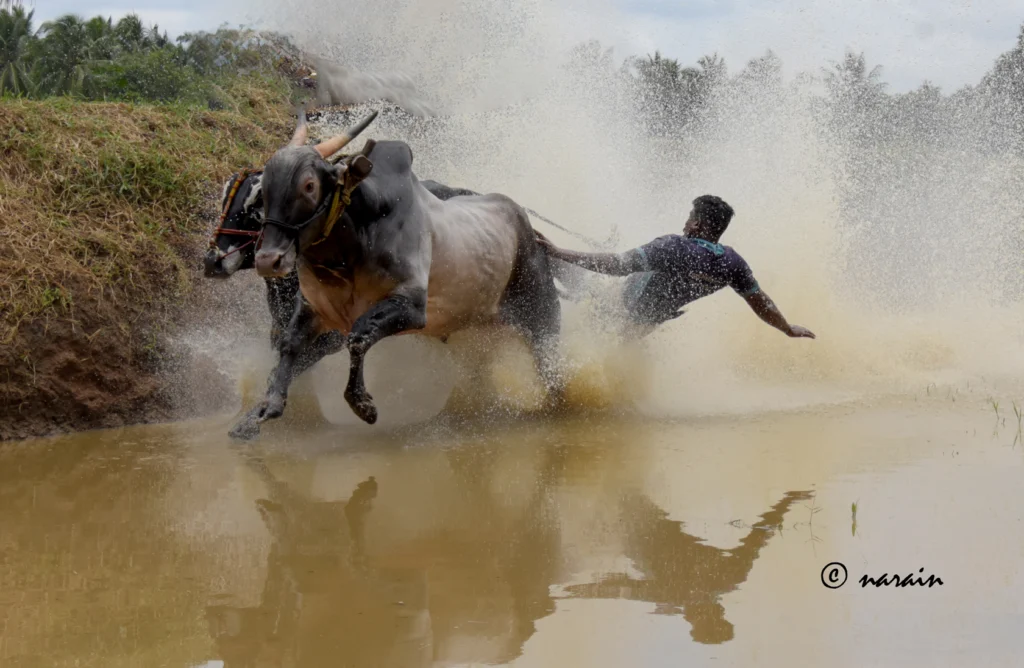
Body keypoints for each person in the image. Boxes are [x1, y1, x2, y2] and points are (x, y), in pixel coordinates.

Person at [535, 195, 816, 341]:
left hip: (615, 301)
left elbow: (618, 265)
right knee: (612, 350)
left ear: (698, 224)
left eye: (688, 218)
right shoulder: (732, 263)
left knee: (546, 256)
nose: (685, 224)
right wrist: (787, 328)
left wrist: (560, 252)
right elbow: (760, 302)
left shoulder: (674, 247)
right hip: (644, 325)